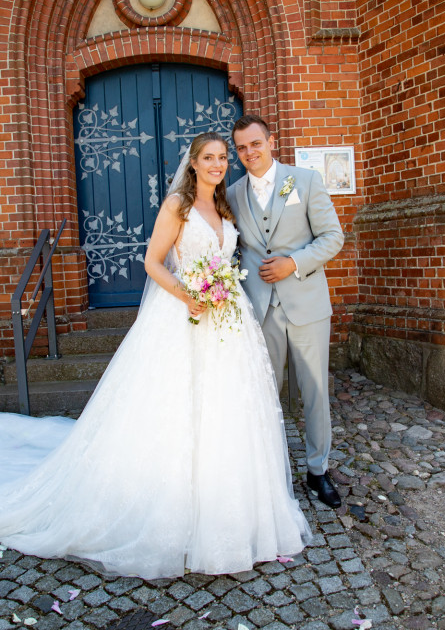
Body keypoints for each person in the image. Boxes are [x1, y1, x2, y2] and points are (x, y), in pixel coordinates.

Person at [0, 132, 311, 579]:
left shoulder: (224, 207)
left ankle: (230, 503)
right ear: (193, 163)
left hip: (227, 320)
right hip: (184, 315)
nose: (218, 164)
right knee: (175, 408)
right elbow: (152, 261)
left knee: (229, 411)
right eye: (209, 158)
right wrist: (188, 295)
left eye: (224, 157)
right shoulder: (178, 207)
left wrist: (219, 290)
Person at [227, 115, 344, 509]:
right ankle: (270, 473)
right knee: (264, 393)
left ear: (271, 142)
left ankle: (317, 471)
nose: (249, 153)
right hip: (260, 310)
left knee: (315, 393)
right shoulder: (232, 194)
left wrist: (292, 263)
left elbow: (333, 237)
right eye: (241, 148)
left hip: (307, 303)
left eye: (256, 144)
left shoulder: (305, 181)